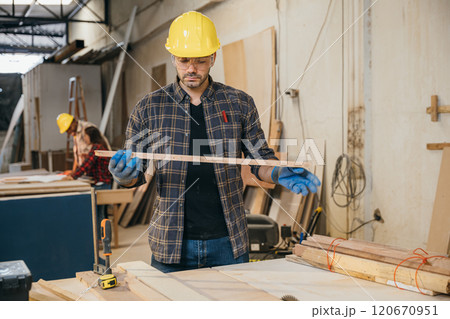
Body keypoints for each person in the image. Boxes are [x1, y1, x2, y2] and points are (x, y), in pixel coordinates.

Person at [108, 11, 320, 273]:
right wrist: (124, 174)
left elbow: (258, 159)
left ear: (213, 57)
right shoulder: (150, 108)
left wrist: (278, 171)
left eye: (200, 60)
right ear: (173, 57)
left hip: (228, 242)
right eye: (184, 60)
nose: (192, 69)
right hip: (171, 243)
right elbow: (134, 174)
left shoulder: (239, 103)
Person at [63, 126, 113, 238]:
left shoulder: (96, 148)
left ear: (91, 136)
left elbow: (86, 165)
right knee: (100, 213)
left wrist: (73, 176)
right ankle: (103, 237)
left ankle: (100, 238)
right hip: (104, 183)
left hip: (102, 185)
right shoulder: (100, 146)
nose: (84, 138)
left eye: (85, 135)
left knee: (97, 214)